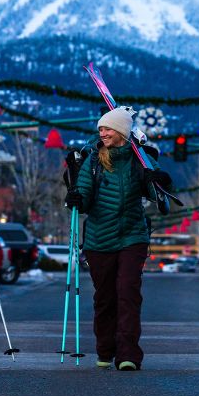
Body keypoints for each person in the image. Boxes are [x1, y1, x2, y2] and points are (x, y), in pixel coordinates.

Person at [65, 107, 173, 371]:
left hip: (132, 235)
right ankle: (105, 350)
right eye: (101, 129)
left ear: (122, 132)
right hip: (99, 239)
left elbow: (162, 198)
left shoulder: (141, 158)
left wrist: (159, 180)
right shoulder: (93, 161)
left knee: (128, 293)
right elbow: (84, 197)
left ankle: (128, 355)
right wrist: (75, 198)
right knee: (105, 297)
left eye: (108, 129)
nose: (102, 134)